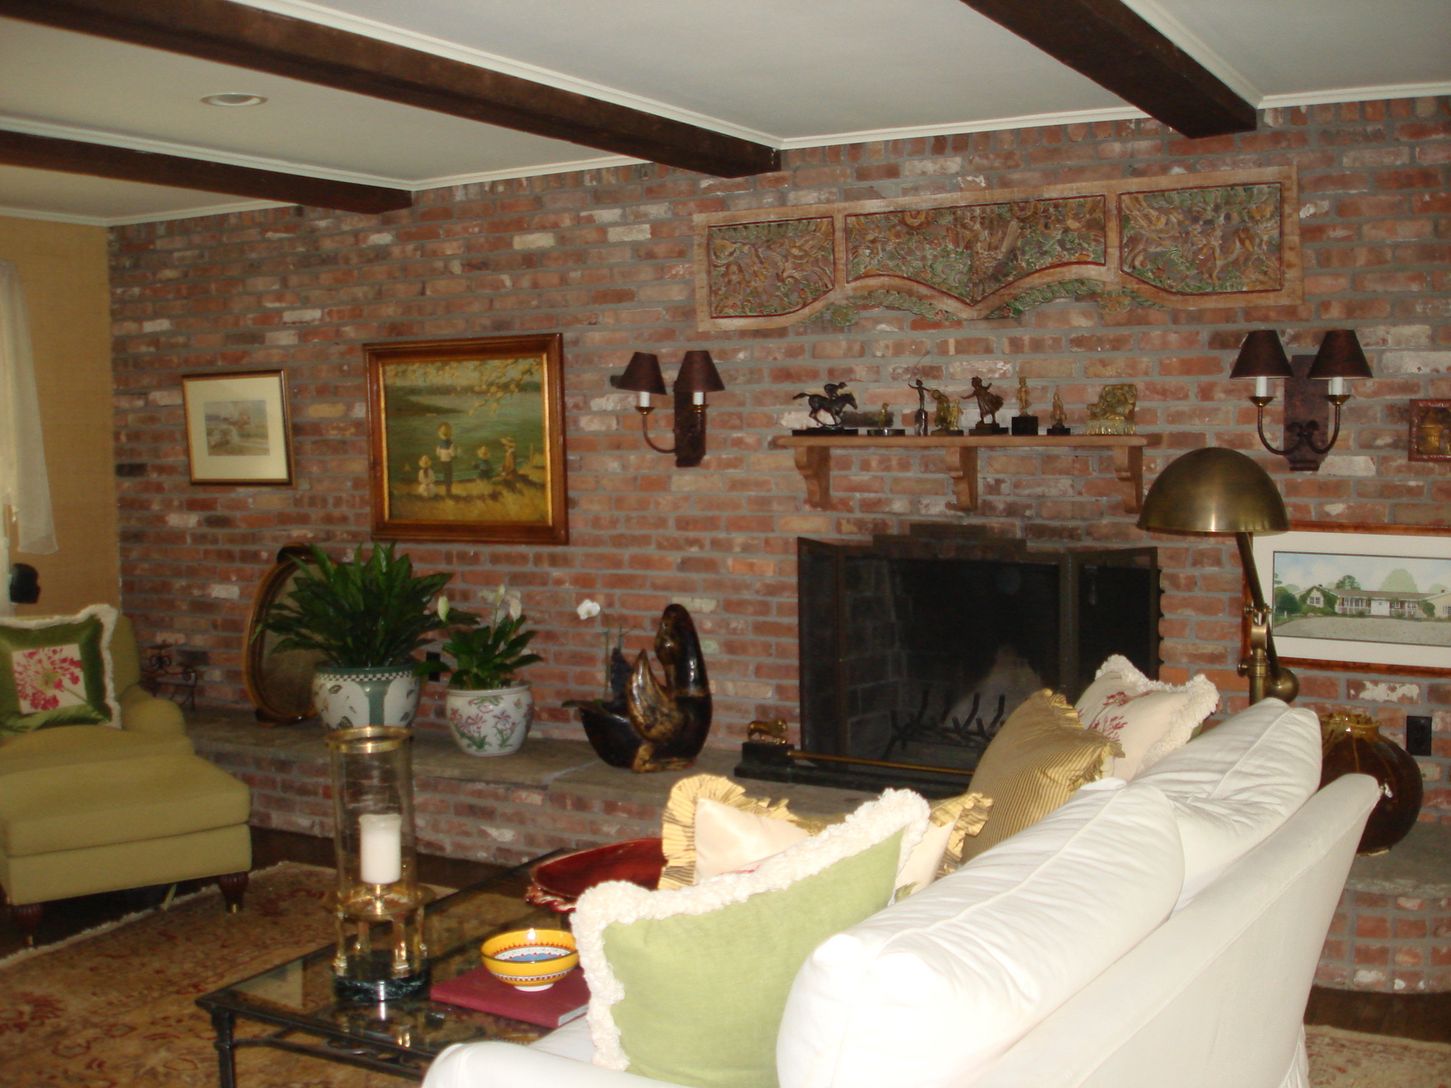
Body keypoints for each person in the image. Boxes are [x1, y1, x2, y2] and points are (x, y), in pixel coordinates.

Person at [435, 422, 456, 497]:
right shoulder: (451, 443)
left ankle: (447, 490)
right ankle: (448, 490)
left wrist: (442, 453)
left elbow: (437, 453)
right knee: (449, 475)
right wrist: (455, 454)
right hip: (448, 461)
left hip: (442, 461)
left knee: (445, 475)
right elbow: (452, 454)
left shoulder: (439, 443)